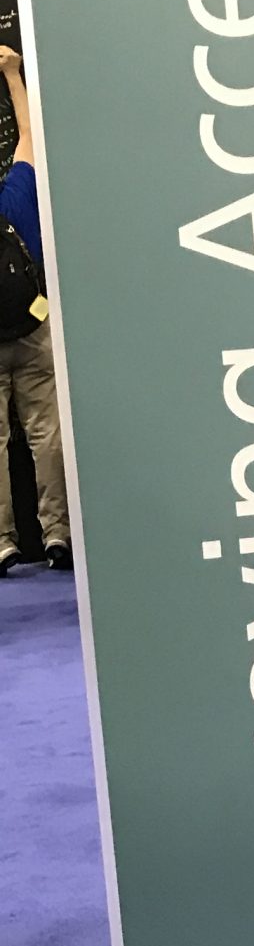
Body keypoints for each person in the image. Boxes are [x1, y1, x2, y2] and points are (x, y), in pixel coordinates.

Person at [0, 43, 70, 577]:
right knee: (45, 430)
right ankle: (58, 534)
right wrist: (11, 75)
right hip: (32, 326)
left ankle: (2, 543)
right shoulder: (15, 196)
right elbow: (31, 141)